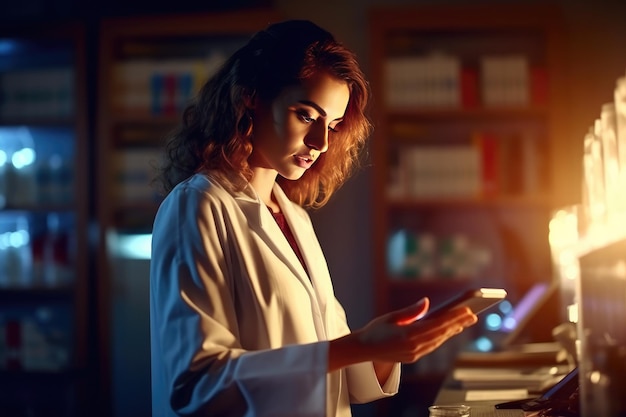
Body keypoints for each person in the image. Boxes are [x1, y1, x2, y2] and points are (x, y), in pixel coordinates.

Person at [149, 19, 477, 417]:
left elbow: (340, 372)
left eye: (333, 125)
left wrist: (383, 346)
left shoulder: (294, 218)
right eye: (306, 115)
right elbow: (196, 386)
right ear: (251, 97)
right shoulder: (198, 207)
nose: (321, 143)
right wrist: (359, 347)